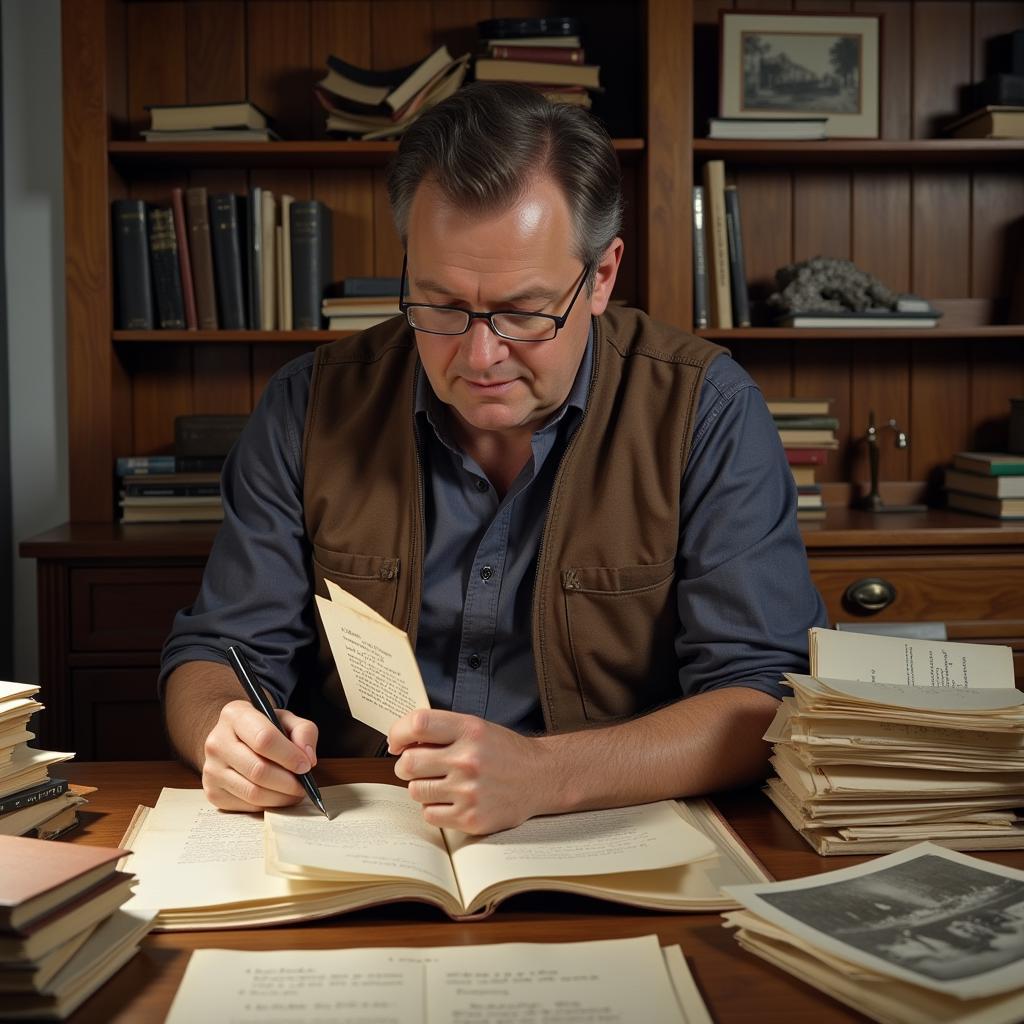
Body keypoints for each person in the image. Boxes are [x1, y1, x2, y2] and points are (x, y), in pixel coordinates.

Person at [161, 83, 827, 835]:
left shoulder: (707, 409)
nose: (481, 357)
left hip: (613, 830)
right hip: (359, 832)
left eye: (523, 312)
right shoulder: (306, 406)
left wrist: (548, 774)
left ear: (601, 277)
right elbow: (217, 648)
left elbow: (761, 695)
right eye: (440, 305)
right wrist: (221, 729)